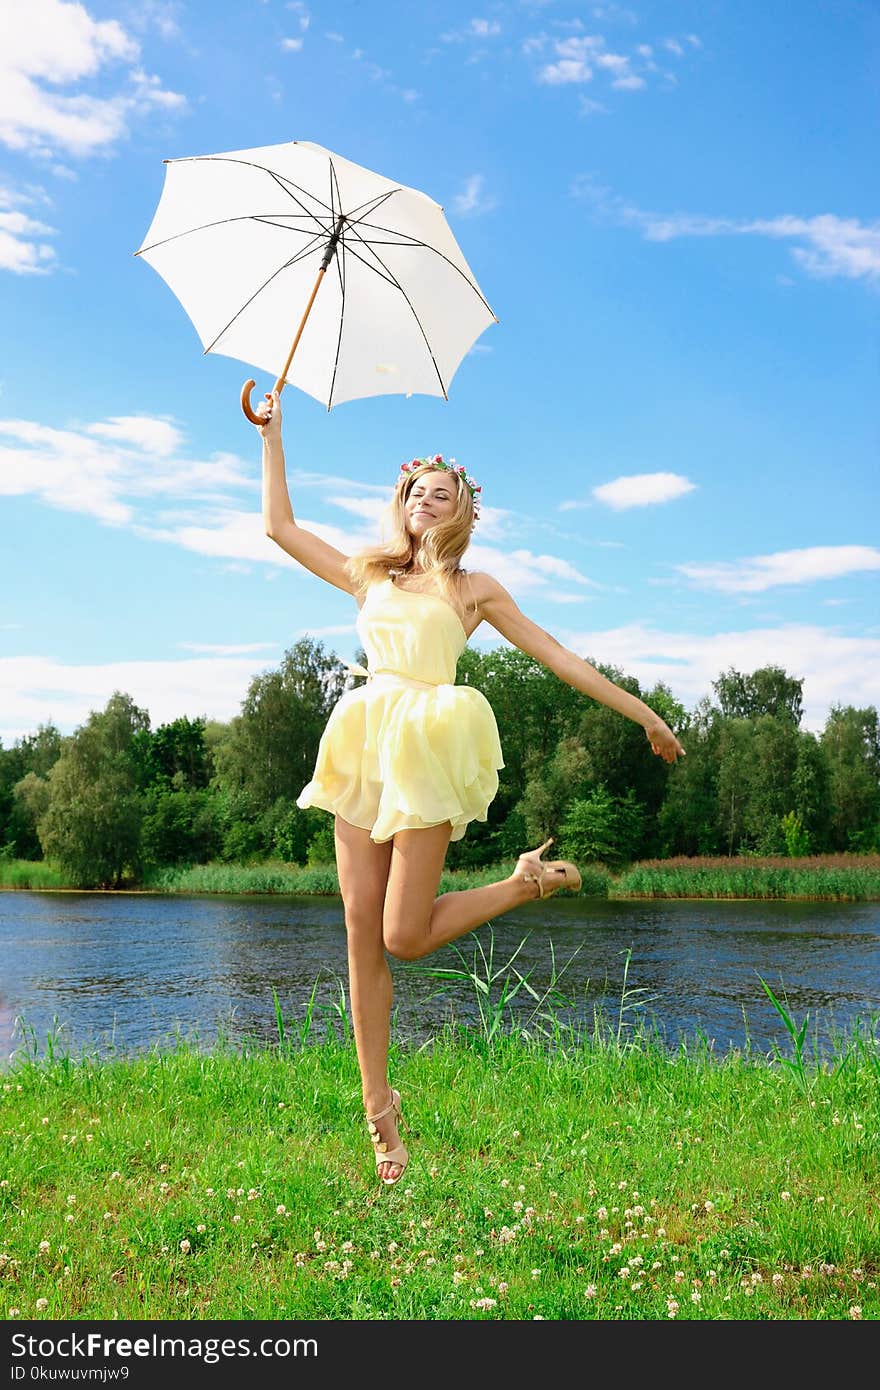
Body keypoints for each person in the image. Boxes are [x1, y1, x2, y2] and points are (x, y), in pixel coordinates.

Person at [257, 390, 685, 1187]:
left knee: (404, 936)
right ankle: (379, 1122)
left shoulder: (473, 588)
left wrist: (644, 715)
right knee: (361, 936)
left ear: (463, 510)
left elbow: (558, 656)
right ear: (402, 502)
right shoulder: (369, 574)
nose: (426, 496)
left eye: (441, 489)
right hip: (361, 742)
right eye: (416, 488)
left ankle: (522, 886)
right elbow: (280, 529)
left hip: (425, 747)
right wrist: (273, 438)